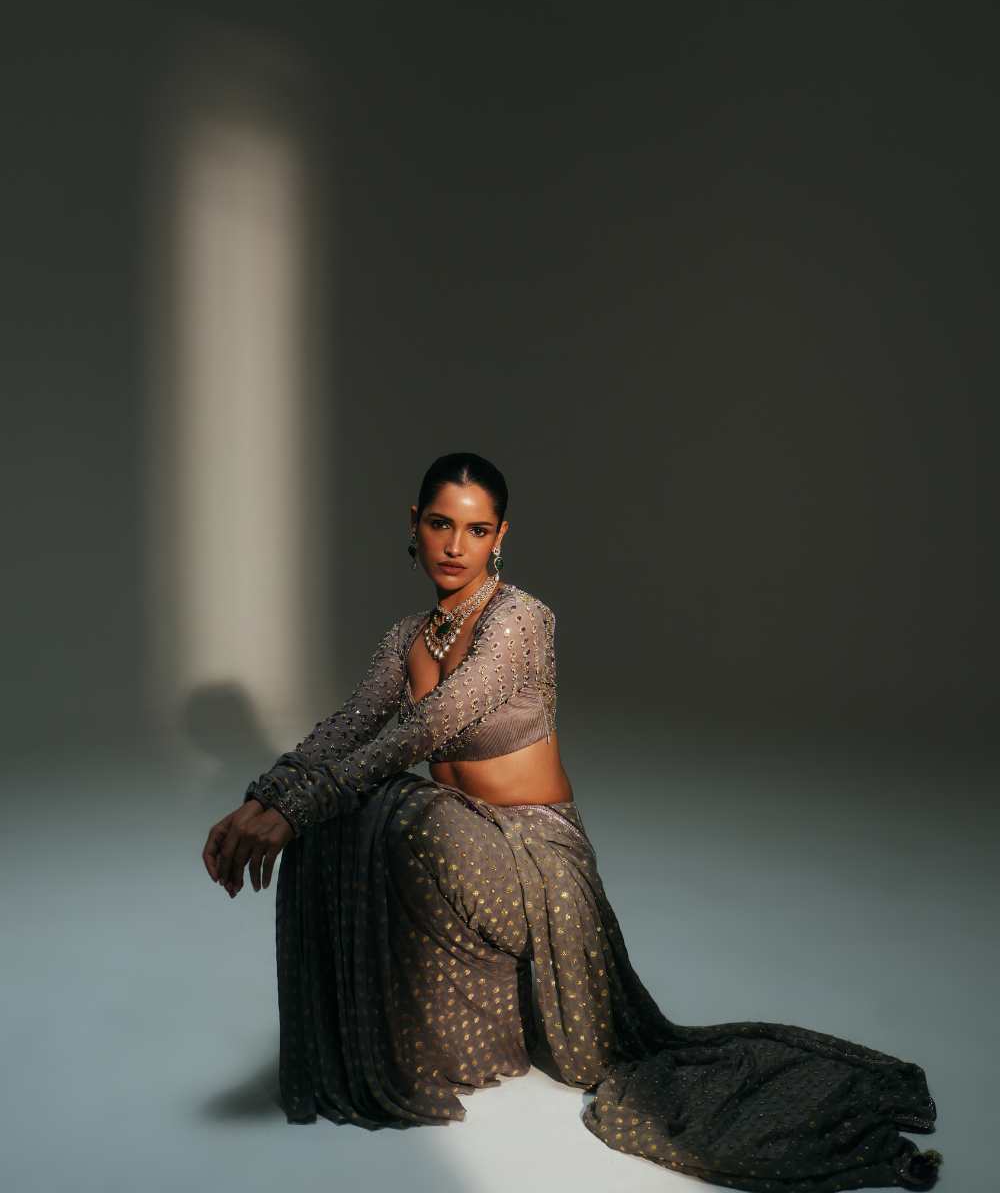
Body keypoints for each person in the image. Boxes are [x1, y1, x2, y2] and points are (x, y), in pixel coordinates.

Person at [202, 452, 943, 1191]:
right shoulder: (405, 639)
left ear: (500, 536)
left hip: (537, 858)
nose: (455, 546)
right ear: (415, 523)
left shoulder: (521, 620)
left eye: (477, 530)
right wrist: (262, 802)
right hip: (465, 844)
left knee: (393, 803)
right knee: (352, 811)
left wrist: (296, 809)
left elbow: (424, 727)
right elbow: (348, 727)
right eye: (440, 524)